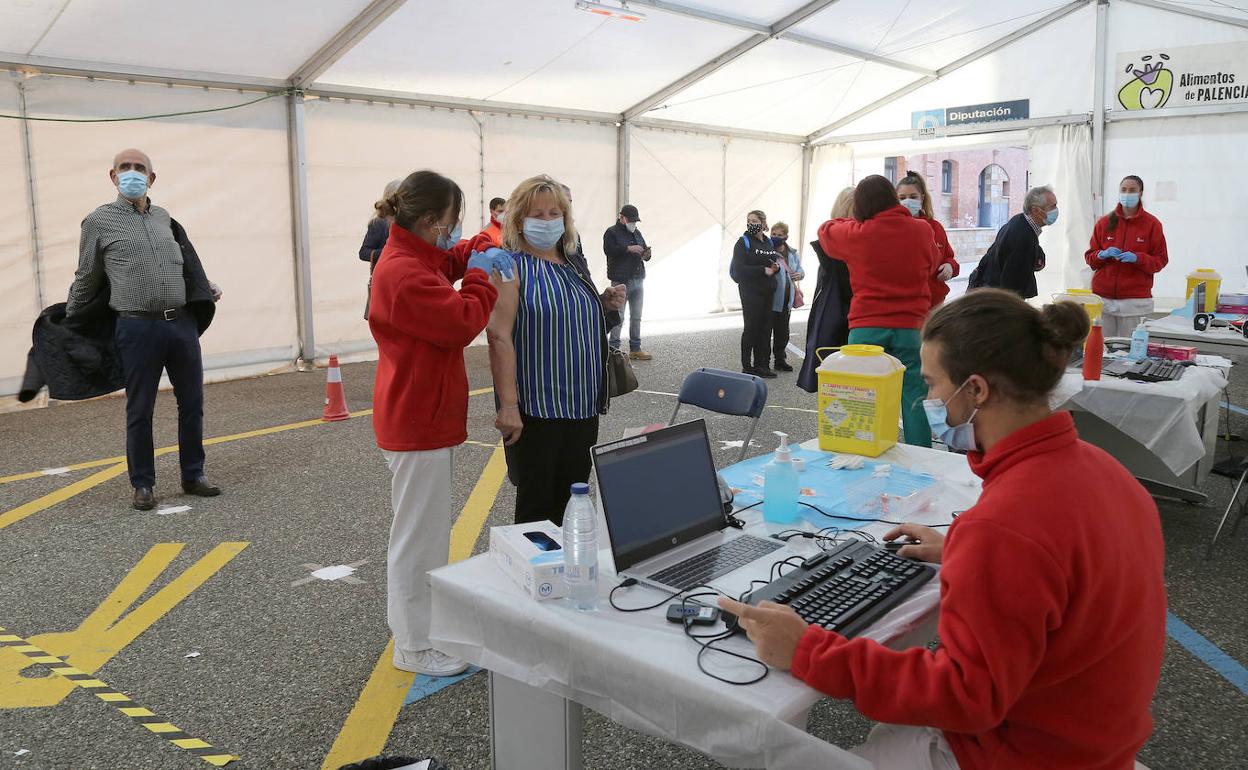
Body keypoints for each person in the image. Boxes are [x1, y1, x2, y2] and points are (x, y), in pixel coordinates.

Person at [720, 290, 1166, 770]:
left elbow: (966, 697)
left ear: (976, 390)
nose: (927, 399)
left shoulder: (1004, 529)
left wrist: (808, 650)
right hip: (1092, 736)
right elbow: (1063, 576)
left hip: (1022, 753)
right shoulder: (1105, 471)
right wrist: (964, 552)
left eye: (932, 384)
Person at [368, 169, 513, 676]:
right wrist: (479, 276)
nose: (453, 233)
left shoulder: (411, 253)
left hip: (419, 412)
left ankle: (421, 630)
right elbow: (460, 321)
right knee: (419, 538)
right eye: (451, 224)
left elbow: (442, 260)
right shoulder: (402, 273)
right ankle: (413, 644)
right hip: (416, 418)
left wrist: (473, 248)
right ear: (430, 220)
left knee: (424, 532)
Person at [65, 149, 223, 511]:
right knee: (140, 409)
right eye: (125, 168)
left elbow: (180, 265)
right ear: (113, 176)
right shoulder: (98, 222)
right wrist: (71, 316)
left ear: (152, 178)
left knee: (193, 404)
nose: (132, 173)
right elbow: (87, 275)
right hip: (136, 327)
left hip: (180, 324)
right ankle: (143, 483)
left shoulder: (165, 219)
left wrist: (204, 285)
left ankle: (193, 475)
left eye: (140, 169)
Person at [487, 175, 626, 525]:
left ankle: (567, 575)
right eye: (538, 214)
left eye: (554, 213)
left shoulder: (572, 263)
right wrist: (508, 407)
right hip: (538, 411)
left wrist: (602, 304)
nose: (548, 221)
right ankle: (534, 578)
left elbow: (578, 322)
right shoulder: (509, 266)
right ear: (519, 220)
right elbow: (499, 336)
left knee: (572, 505)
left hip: (583, 407)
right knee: (537, 510)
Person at [818, 175, 938, 447]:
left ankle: (863, 449)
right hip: (911, 327)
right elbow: (932, 265)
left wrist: (852, 219)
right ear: (893, 199)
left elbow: (825, 230)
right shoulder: (922, 230)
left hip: (867, 328)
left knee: (861, 395)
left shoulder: (857, 234)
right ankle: (920, 452)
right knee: (914, 395)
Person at [1085, 175, 1169, 337]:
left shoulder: (1152, 225)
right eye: (1123, 190)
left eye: (1132, 190)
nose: (1127, 193)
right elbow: (1090, 258)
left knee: (1130, 352)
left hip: (1134, 303)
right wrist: (1101, 255)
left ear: (1141, 193)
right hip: (1103, 300)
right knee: (1102, 348)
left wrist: (1138, 258)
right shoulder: (1104, 223)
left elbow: (1160, 260)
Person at [798, 187, 855, 393]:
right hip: (847, 312)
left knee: (832, 377)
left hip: (829, 312)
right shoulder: (847, 239)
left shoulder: (829, 236)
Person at [967, 186, 1057, 299]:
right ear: (1035, 210)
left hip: (990, 294)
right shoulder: (1022, 236)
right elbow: (1012, 287)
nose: (1056, 210)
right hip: (997, 301)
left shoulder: (1020, 222)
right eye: (1053, 206)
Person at [731, 209, 780, 378]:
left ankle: (763, 364)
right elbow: (739, 268)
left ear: (763, 223)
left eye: (754, 221)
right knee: (752, 327)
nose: (751, 224)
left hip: (768, 290)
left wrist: (775, 269)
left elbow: (773, 262)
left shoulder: (768, 242)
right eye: (749, 220)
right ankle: (747, 365)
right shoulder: (743, 242)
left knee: (766, 328)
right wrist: (762, 270)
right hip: (750, 291)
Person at [897, 172, 958, 308]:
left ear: (922, 198)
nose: (907, 201)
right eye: (902, 198)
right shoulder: (892, 229)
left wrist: (950, 266)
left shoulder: (936, 227)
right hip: (906, 304)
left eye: (913, 197)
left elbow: (950, 258)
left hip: (934, 302)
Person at [603, 204, 652, 360]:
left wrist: (646, 254)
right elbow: (609, 250)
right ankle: (613, 349)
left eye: (635, 221)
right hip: (620, 280)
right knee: (618, 316)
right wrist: (628, 249)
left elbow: (644, 251)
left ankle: (635, 348)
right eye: (631, 221)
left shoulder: (637, 233)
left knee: (636, 315)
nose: (633, 224)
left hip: (638, 278)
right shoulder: (611, 232)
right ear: (621, 217)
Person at [360, 179, 400, 319]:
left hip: (402, 281)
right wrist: (388, 252)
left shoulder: (409, 223)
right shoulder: (379, 223)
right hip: (384, 282)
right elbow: (363, 252)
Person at [768, 221, 805, 372]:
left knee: (783, 332)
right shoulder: (767, 251)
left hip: (786, 299)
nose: (775, 237)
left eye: (779, 235)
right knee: (766, 332)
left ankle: (780, 360)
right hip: (771, 298)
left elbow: (800, 269)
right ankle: (763, 362)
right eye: (773, 234)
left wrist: (799, 274)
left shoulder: (792, 252)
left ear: (786, 236)